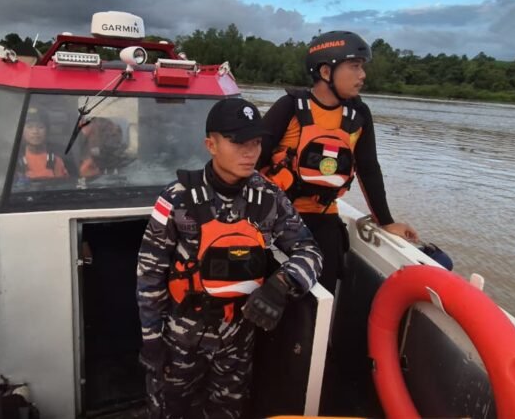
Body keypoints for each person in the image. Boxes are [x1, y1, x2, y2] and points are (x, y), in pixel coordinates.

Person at [136, 98, 323, 419]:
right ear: (211, 145)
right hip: (180, 338)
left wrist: (282, 283)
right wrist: (151, 339)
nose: (251, 152)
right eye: (238, 142)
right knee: (169, 410)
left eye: (256, 142)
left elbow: (310, 251)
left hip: (238, 339)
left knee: (228, 412)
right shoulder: (176, 198)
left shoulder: (269, 198)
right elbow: (149, 273)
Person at [259, 31, 418, 291]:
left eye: (362, 67)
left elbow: (368, 169)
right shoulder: (289, 107)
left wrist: (386, 221)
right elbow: (252, 160)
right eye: (354, 66)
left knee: (325, 287)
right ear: (325, 72)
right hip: (277, 215)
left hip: (324, 217)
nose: (362, 75)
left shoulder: (359, 114)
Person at [17, 107, 68, 180]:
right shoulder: (14, 161)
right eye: (30, 127)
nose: (35, 131)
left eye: (40, 127)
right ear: (22, 131)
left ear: (47, 131)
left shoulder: (57, 160)